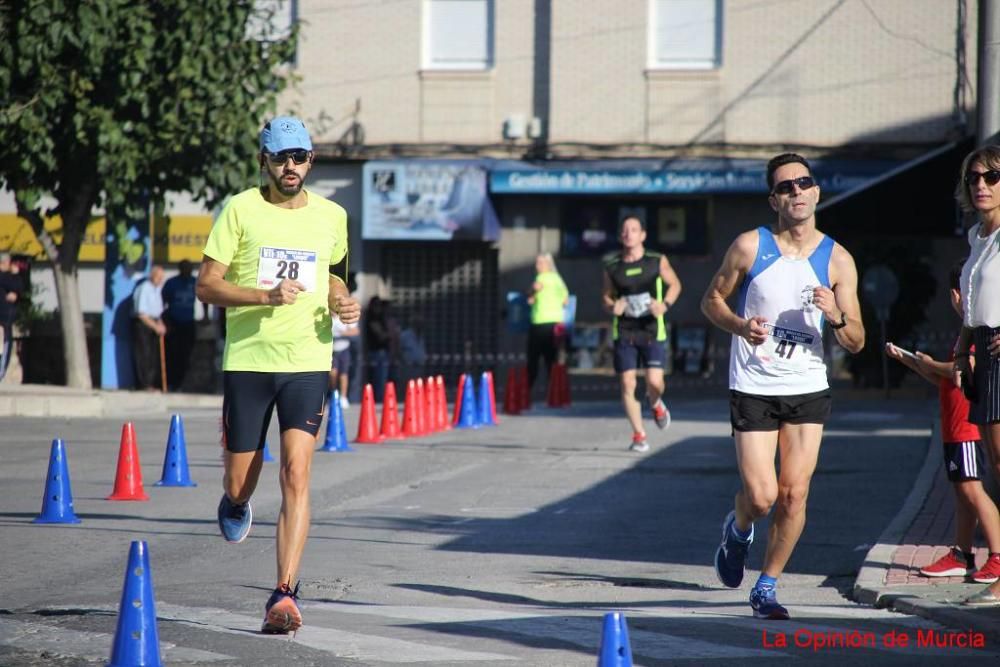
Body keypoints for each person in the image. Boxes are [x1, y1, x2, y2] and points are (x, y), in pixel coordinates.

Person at [195, 115, 360, 634]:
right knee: (242, 480)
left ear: (311, 160)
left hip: (308, 360)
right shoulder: (240, 209)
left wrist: (340, 302)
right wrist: (264, 296)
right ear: (264, 161)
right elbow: (207, 285)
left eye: (301, 157)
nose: (291, 167)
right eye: (282, 157)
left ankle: (284, 593)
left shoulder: (333, 216)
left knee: (296, 472)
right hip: (248, 360)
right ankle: (236, 500)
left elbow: (335, 274)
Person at [700, 153, 864, 620]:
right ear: (774, 199)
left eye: (803, 183)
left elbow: (856, 340)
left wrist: (835, 314)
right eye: (785, 186)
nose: (796, 192)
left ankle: (766, 586)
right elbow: (711, 300)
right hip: (753, 384)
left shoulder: (838, 259)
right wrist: (737, 325)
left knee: (794, 494)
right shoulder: (751, 247)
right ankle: (737, 528)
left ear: (816, 192)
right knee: (762, 497)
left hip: (808, 386)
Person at [885, 259, 1000, 584]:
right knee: (962, 494)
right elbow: (947, 381)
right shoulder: (965, 334)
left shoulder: (983, 326)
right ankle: (961, 554)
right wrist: (911, 361)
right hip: (954, 428)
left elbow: (967, 369)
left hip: (967, 427)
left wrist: (933, 363)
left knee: (973, 491)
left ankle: (996, 555)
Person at [952, 144, 1000, 607]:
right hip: (981, 351)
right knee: (994, 466)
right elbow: (973, 303)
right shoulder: (978, 236)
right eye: (974, 178)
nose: (982, 185)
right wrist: (962, 346)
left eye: (992, 176)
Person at [601, 215, 682, 453]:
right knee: (627, 383)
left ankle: (656, 403)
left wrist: (664, 305)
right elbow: (606, 296)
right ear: (620, 236)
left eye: (634, 229)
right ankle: (639, 435)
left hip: (651, 329)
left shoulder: (656, 261)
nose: (628, 234)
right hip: (625, 330)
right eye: (625, 230)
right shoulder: (612, 266)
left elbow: (676, 285)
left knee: (655, 382)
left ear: (642, 235)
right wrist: (611, 306)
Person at [526, 253, 569, 395]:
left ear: (547, 264)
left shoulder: (541, 278)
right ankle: (554, 392)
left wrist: (531, 293)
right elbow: (566, 301)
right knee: (552, 360)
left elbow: (531, 297)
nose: (537, 265)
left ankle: (527, 391)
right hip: (556, 324)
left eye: (540, 263)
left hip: (540, 323)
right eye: (536, 262)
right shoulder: (559, 280)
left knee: (533, 359)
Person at [162, 259, 198, 391]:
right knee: (173, 354)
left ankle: (182, 383)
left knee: (186, 354)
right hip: (174, 322)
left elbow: (204, 299)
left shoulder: (195, 282)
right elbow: (162, 302)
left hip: (188, 323)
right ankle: (171, 382)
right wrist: (165, 320)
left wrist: (206, 315)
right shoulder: (172, 283)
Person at [131, 264, 166, 390]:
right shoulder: (144, 288)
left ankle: (152, 383)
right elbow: (141, 313)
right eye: (159, 277)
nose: (161, 280)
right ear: (153, 276)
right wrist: (155, 326)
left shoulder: (157, 289)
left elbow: (158, 311)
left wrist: (160, 323)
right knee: (144, 355)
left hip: (154, 323)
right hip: (144, 324)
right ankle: (144, 384)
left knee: (153, 356)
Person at [364, 296, 398, 402]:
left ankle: (383, 398)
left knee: (386, 379)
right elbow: (381, 336)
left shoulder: (382, 319)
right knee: (379, 380)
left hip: (384, 353)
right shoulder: (372, 320)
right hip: (377, 353)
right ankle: (379, 400)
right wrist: (390, 334)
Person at [0, 252, 21, 381]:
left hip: (5, 318)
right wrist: (15, 274)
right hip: (3, 318)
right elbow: (17, 286)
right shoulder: (5, 277)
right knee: (4, 346)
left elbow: (19, 288)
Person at [330, 313, 359, 409]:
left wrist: (342, 333)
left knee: (343, 374)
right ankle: (334, 395)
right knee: (333, 373)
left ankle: (343, 397)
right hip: (332, 350)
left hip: (344, 349)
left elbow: (355, 331)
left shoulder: (343, 318)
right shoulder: (327, 318)